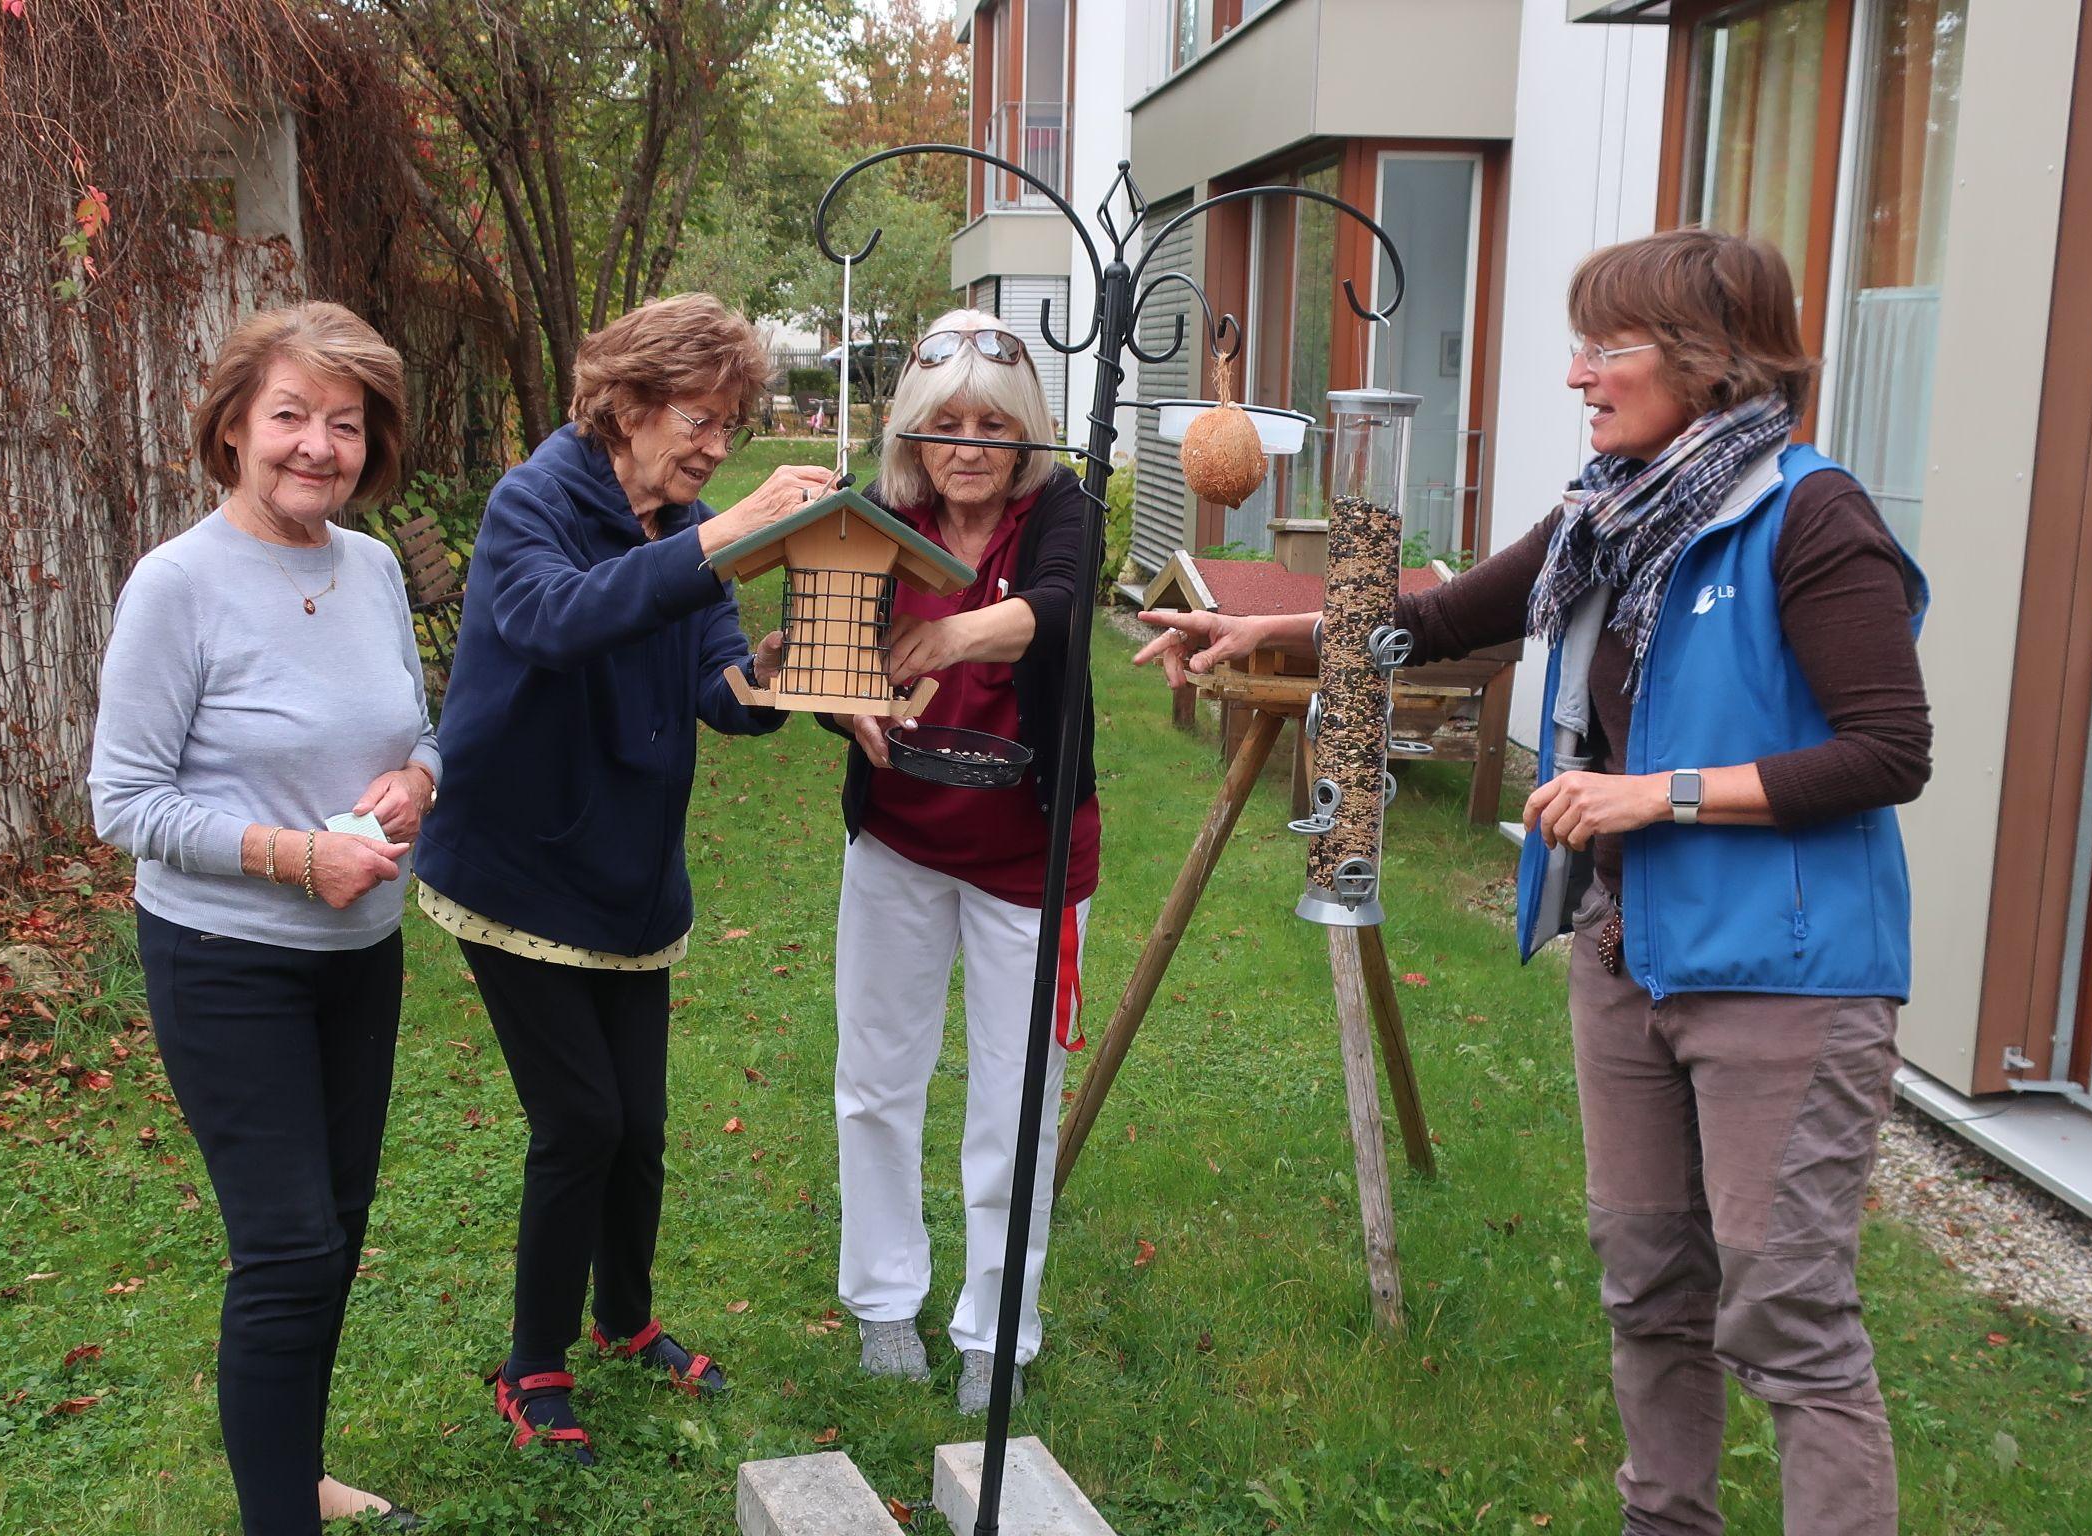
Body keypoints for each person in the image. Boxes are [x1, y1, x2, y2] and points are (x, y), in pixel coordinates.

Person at [1136, 230, 1931, 1536]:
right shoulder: (1609, 513)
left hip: (1783, 977)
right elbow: (1445, 618)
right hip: (1627, 955)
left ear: (1709, 359)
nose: (1576, 376)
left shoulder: (1811, 514)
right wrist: (1272, 630)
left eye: (1606, 348)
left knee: (1787, 1314)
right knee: (1648, 1284)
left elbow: (1887, 751)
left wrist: (1654, 795)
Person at [408, 293, 831, 1465]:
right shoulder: (535, 500)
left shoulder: (682, 522)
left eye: (730, 426)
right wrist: (717, 540)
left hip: (629, 879)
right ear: (629, 403)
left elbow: (718, 689)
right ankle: (532, 1362)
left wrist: (786, 670)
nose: (715, 447)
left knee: (637, 1126)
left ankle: (624, 1318)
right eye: (700, 419)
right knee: (581, 1121)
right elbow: (554, 619)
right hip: (517, 868)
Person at [89, 302, 435, 1534]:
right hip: (225, 962)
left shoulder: (372, 568)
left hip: (359, 957)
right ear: (233, 426)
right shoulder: (177, 586)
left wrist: (420, 779)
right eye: (291, 415)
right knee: (287, 1248)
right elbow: (123, 802)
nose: (318, 446)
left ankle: (295, 1475)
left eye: (345, 423)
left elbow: (421, 728)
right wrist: (297, 857)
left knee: (332, 1234)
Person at [823, 310, 1101, 1414]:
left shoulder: (1062, 510)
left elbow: (1062, 608)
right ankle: (885, 1302)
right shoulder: (880, 517)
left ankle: (996, 1333)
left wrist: (952, 634)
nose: (970, 447)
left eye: (994, 425)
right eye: (948, 425)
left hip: (1028, 854)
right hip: (899, 839)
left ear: (1027, 433)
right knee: (876, 1080)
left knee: (1015, 1100)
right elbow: (836, 654)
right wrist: (844, 704)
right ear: (914, 431)